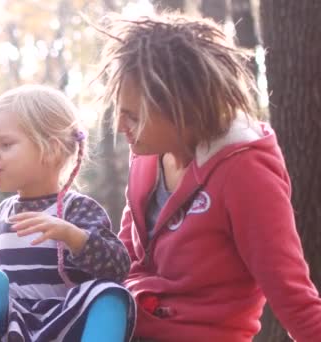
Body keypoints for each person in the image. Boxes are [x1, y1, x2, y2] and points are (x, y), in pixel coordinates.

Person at [96, 13, 321, 341]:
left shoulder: (245, 174)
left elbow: (294, 297)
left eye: (133, 116)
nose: (119, 126)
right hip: (128, 325)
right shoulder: (148, 154)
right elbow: (128, 257)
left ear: (182, 108)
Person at [0, 85, 135, 342]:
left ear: (50, 149)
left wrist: (72, 235)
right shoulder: (4, 211)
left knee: (110, 294)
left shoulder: (78, 208)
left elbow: (118, 266)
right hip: (14, 324)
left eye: (5, 144)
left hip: (65, 323)